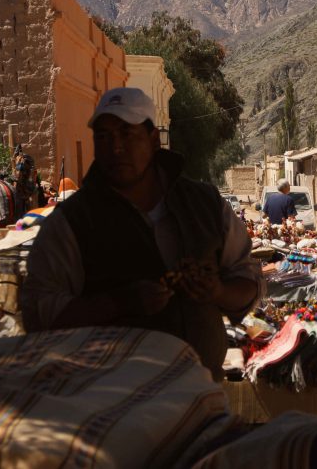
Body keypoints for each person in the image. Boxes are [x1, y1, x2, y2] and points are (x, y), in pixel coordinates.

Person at [21, 88, 262, 380]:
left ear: (153, 140)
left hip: (201, 391)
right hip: (112, 399)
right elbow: (39, 313)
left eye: (127, 134)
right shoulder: (73, 220)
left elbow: (248, 280)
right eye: (104, 137)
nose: (116, 147)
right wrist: (119, 303)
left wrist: (218, 291)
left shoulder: (205, 204)